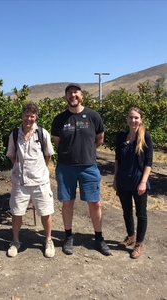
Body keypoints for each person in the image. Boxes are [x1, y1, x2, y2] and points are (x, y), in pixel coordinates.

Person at [51, 83, 111, 256]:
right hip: (66, 167)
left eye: (75, 92)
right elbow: (58, 142)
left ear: (82, 95)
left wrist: (87, 152)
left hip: (88, 166)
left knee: (95, 203)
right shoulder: (59, 119)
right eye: (69, 93)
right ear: (65, 97)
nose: (73, 95)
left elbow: (99, 139)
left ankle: (99, 238)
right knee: (68, 202)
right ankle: (68, 236)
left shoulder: (93, 116)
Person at [6, 102, 55, 258]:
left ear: (36, 117)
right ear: (22, 115)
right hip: (20, 182)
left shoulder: (42, 133)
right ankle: (15, 241)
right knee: (17, 212)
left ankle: (48, 240)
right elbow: (12, 156)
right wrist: (22, 170)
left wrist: (38, 170)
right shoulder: (14, 135)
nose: (29, 119)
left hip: (40, 181)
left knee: (46, 212)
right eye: (26, 115)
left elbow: (48, 155)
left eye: (32, 116)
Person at [113, 107, 153, 259]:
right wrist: (115, 178)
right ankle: (131, 236)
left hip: (138, 180)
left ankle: (139, 243)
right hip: (123, 180)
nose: (133, 120)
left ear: (140, 119)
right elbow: (117, 159)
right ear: (127, 119)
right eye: (130, 117)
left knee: (141, 213)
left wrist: (143, 182)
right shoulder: (121, 137)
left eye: (136, 118)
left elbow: (149, 162)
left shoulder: (145, 137)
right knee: (126, 211)